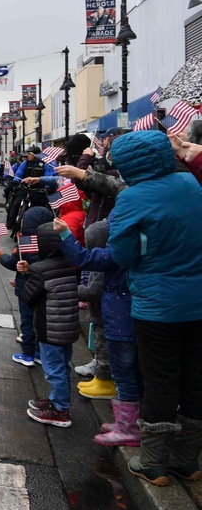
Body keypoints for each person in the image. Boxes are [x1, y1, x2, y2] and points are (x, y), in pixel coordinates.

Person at [106, 130, 202, 486]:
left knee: (161, 378)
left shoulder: (132, 198)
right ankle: (187, 461)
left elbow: (122, 254)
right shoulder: (191, 184)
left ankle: (153, 462)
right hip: (198, 300)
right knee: (195, 376)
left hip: (157, 304)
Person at [55, 218, 142, 447]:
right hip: (121, 316)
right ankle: (127, 422)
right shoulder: (136, 250)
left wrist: (65, 235)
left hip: (119, 319)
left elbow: (84, 260)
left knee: (124, 375)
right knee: (128, 373)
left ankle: (129, 427)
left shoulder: (117, 255)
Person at [17, 221, 80, 428]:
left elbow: (29, 298)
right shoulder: (72, 264)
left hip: (49, 328)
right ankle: (56, 399)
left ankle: (60, 410)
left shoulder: (40, 269)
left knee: (53, 370)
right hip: (68, 327)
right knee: (62, 366)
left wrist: (25, 277)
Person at [0, 206, 54, 367]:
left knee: (28, 322)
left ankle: (27, 354)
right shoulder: (51, 243)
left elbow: (13, 262)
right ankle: (39, 352)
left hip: (26, 290)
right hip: (44, 290)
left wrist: (2, 256)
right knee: (40, 321)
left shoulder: (25, 244)